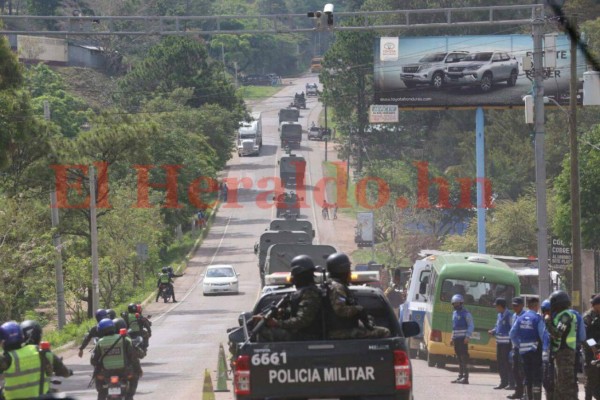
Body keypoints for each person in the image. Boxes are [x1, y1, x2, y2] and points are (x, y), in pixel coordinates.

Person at [254, 255, 323, 342]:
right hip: (301, 335)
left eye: (294, 275)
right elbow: (296, 313)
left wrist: (276, 323)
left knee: (262, 332)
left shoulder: (310, 294)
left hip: (306, 337)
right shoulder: (304, 293)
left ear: (299, 275)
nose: (292, 278)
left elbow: (301, 321)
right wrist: (282, 313)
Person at [325, 252, 390, 340]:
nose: (350, 272)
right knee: (385, 332)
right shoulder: (337, 287)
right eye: (348, 269)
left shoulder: (333, 285)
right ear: (343, 270)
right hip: (340, 332)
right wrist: (358, 309)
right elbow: (340, 310)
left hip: (339, 329)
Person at [0, 321, 73, 399]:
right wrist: (68, 372)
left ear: (4, 341)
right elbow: (62, 370)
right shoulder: (40, 351)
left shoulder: (5, 358)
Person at [91, 318, 142, 400]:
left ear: (101, 331)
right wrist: (138, 370)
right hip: (124, 371)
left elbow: (93, 360)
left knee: (101, 390)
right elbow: (133, 357)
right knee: (134, 377)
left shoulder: (100, 342)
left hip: (106, 373)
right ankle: (129, 396)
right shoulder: (125, 339)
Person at [544, 290, 579, 400]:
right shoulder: (560, 315)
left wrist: (548, 321)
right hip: (560, 353)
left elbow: (557, 333)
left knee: (565, 386)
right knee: (559, 385)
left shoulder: (565, 316)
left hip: (566, 354)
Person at [510, 297, 545, 400]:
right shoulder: (537, 319)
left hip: (523, 352)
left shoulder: (520, 318)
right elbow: (543, 335)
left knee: (527, 376)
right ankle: (536, 398)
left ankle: (528, 397)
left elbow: (512, 334)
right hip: (535, 351)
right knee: (536, 377)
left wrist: (518, 345)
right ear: (536, 306)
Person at [488, 298, 514, 390]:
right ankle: (503, 382)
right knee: (500, 363)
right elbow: (497, 326)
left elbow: (513, 328)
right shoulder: (499, 315)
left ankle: (511, 383)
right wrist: (493, 331)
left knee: (507, 363)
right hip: (499, 343)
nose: (496, 308)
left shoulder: (509, 315)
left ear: (500, 306)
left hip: (507, 343)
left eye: (496, 306)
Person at [450, 294, 474, 384]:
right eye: (454, 304)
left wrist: (467, 336)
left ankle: (466, 377)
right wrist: (452, 338)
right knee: (459, 358)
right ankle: (460, 376)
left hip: (463, 339)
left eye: (457, 303)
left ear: (461, 303)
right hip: (456, 339)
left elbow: (471, 325)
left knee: (464, 358)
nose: (455, 305)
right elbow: (454, 327)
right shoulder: (454, 314)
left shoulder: (466, 313)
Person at [508, 296, 526, 399]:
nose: (514, 307)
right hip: (515, 347)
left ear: (522, 306)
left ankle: (524, 393)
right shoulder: (514, 315)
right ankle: (517, 392)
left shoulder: (525, 316)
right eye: (513, 305)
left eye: (517, 306)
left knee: (522, 371)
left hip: (523, 348)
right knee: (515, 370)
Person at [583, 295, 600, 400]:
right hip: (591, 351)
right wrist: (593, 348)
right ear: (596, 305)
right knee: (591, 376)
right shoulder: (587, 317)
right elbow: (586, 335)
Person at [541, 300, 555, 400]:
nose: (546, 313)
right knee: (546, 381)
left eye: (548, 310)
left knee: (553, 381)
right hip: (545, 356)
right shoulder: (542, 321)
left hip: (555, 355)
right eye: (544, 311)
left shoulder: (556, 322)